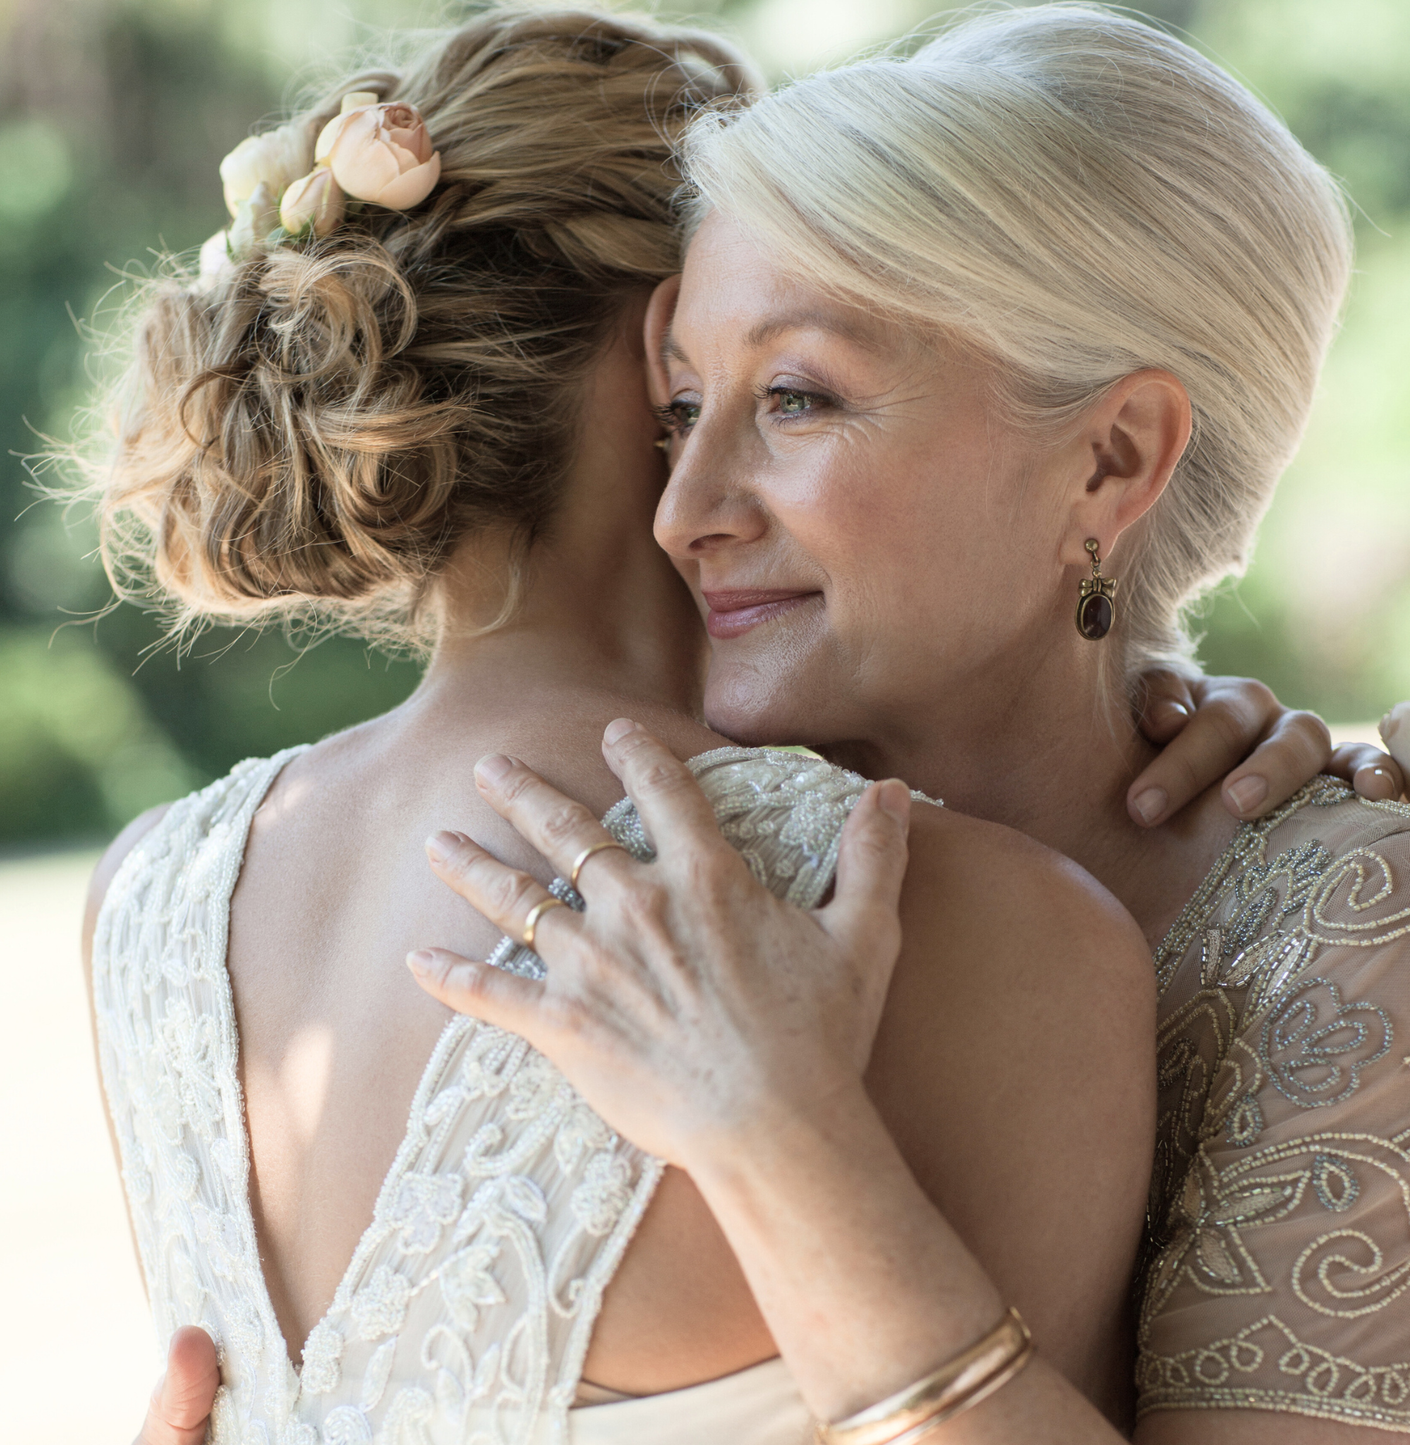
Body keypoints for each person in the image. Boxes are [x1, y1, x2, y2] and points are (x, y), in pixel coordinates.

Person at [83, 6, 1396, 1444]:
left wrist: (781, 1143)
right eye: (679, 405)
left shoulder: (1339, 917)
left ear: (1114, 460)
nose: (681, 506)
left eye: (793, 398)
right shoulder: (733, 841)